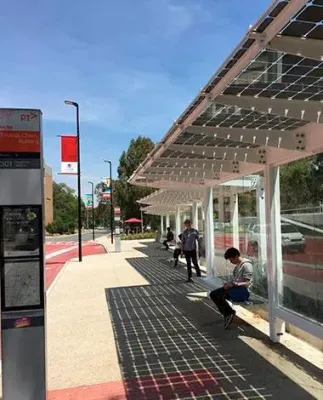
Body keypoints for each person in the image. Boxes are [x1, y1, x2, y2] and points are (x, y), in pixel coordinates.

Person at [210, 247, 253, 330]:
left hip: (244, 291)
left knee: (221, 296)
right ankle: (227, 314)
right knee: (214, 294)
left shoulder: (247, 265)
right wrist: (230, 284)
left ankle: (229, 313)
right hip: (235, 288)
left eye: (231, 260)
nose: (231, 262)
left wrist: (233, 284)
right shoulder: (238, 265)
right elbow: (237, 279)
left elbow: (247, 282)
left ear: (236, 256)